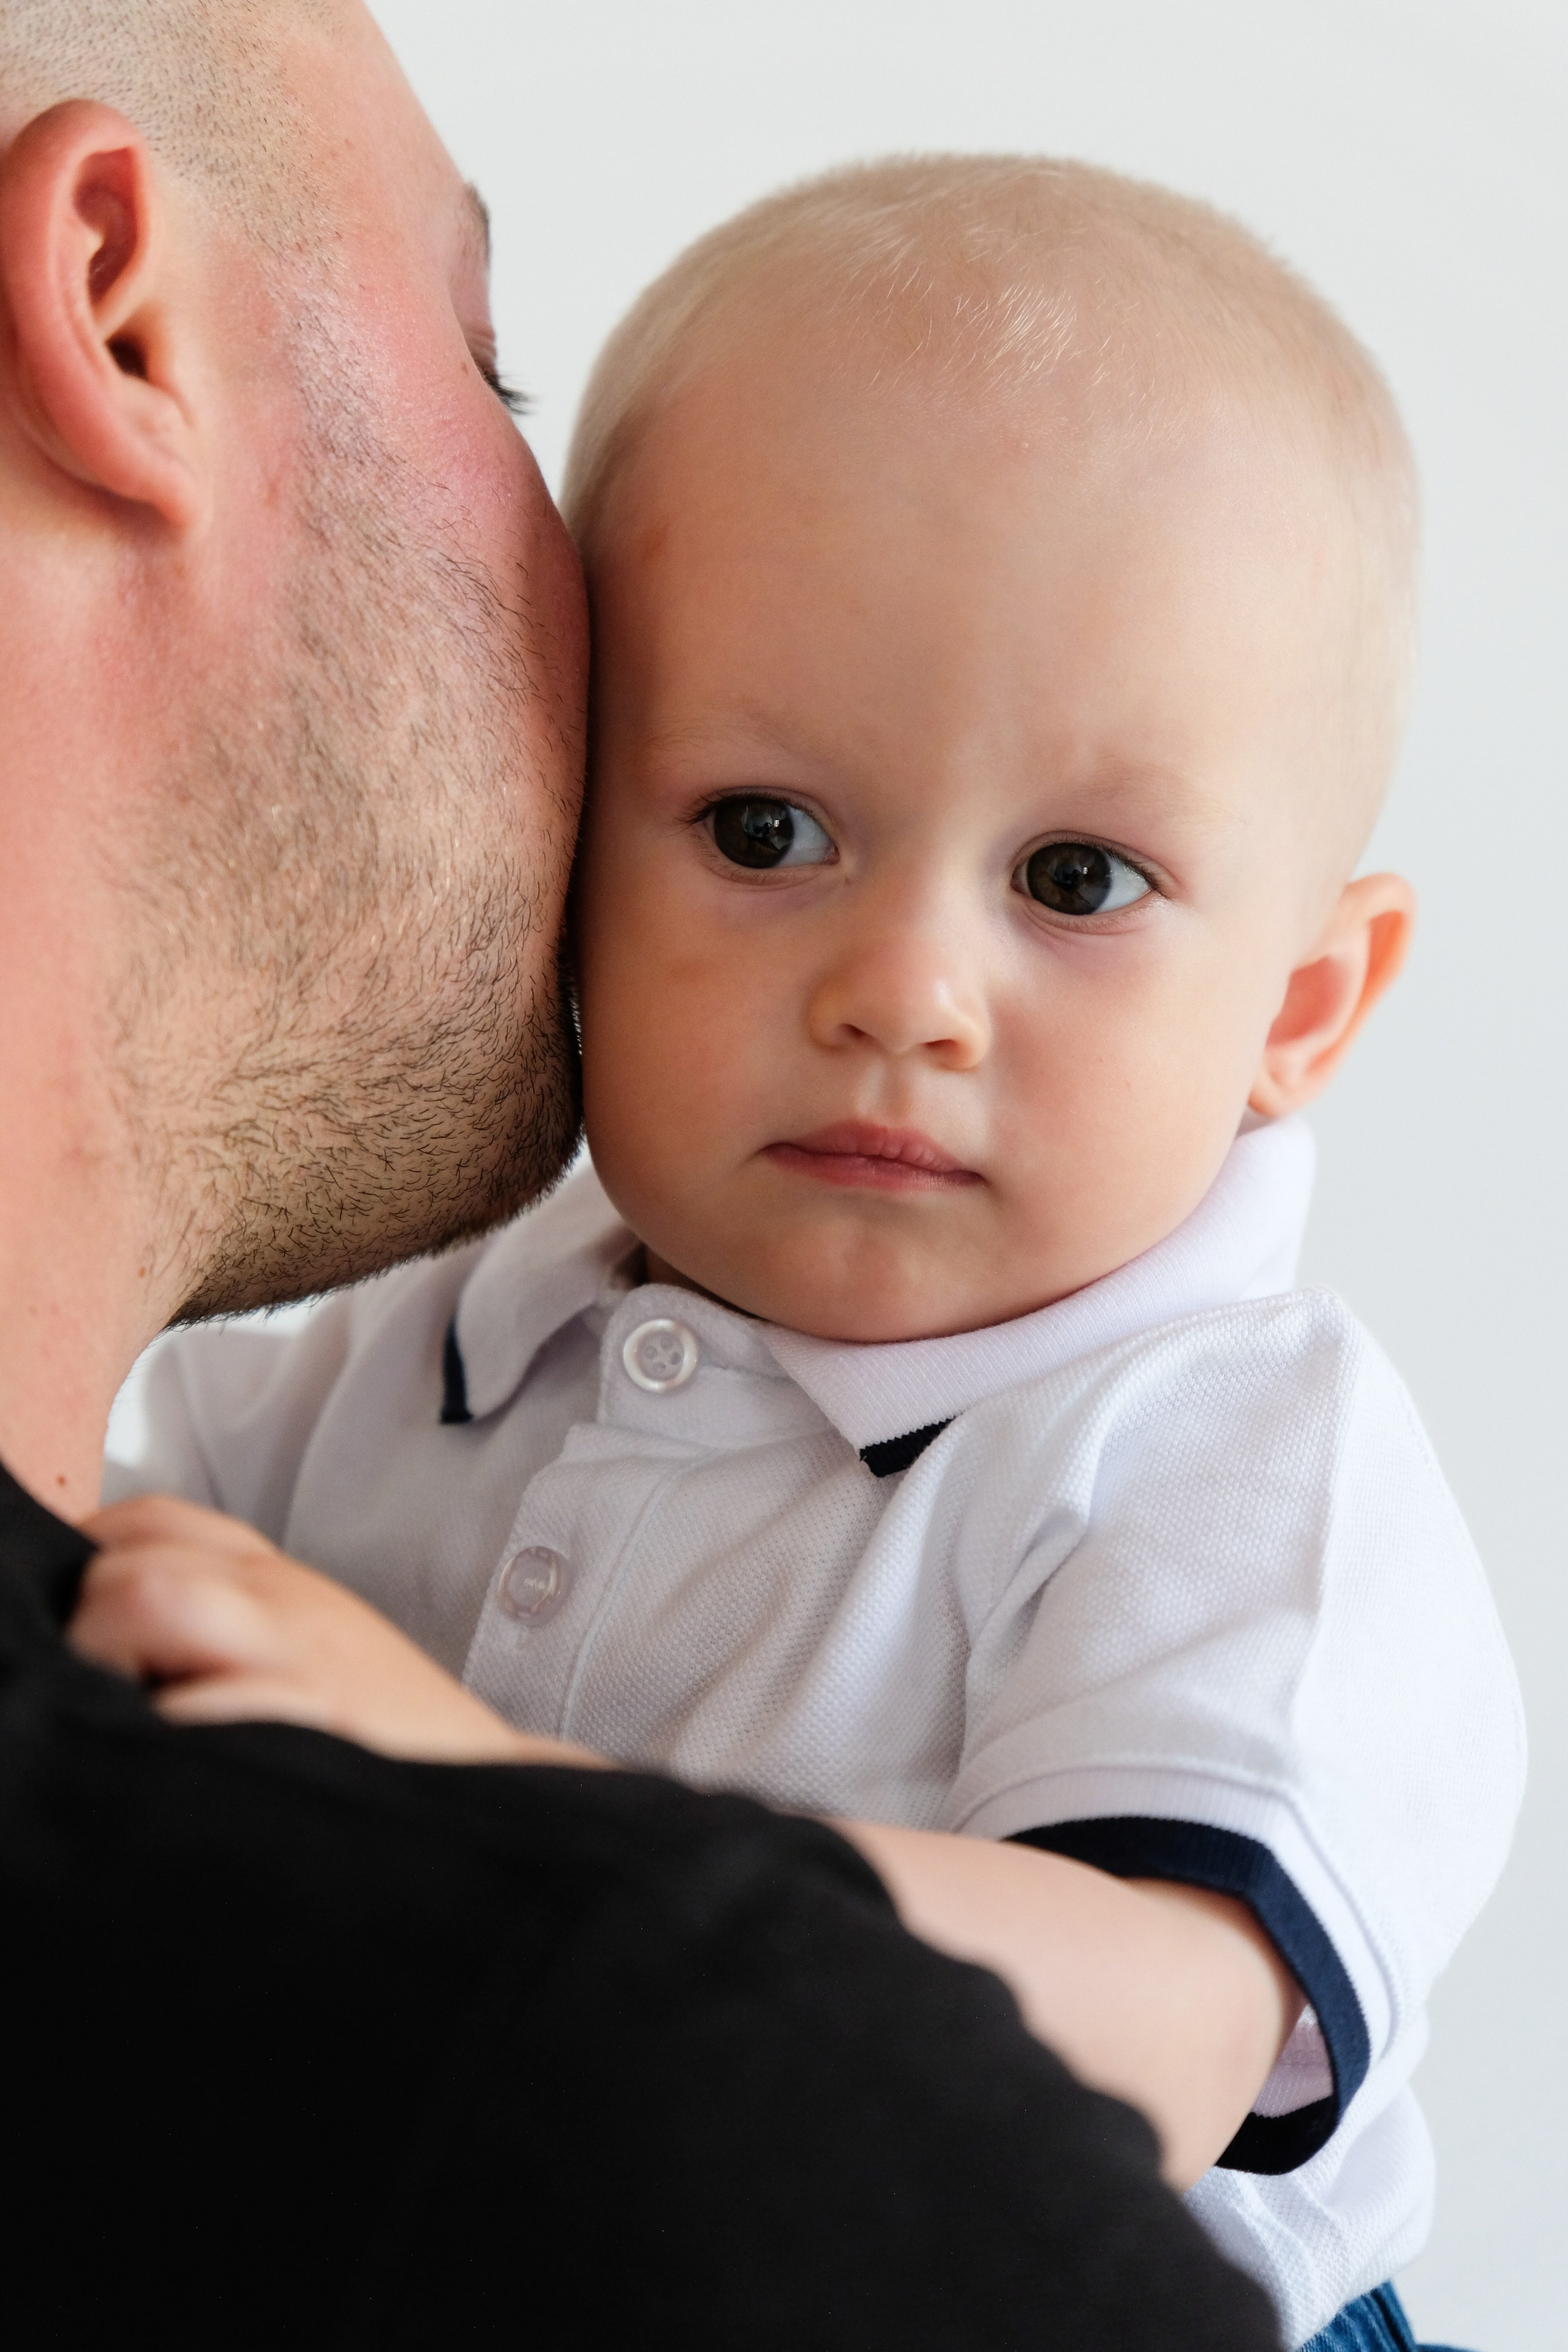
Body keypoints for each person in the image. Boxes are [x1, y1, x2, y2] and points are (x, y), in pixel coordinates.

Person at [108, 160, 1522, 2350]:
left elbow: (1149, 2034)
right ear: (568, 838)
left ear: (1304, 1010)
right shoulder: (407, 1351)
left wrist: (499, 1817)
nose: (907, 990)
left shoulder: (1230, 1456)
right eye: (765, 831)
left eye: (1077, 876)